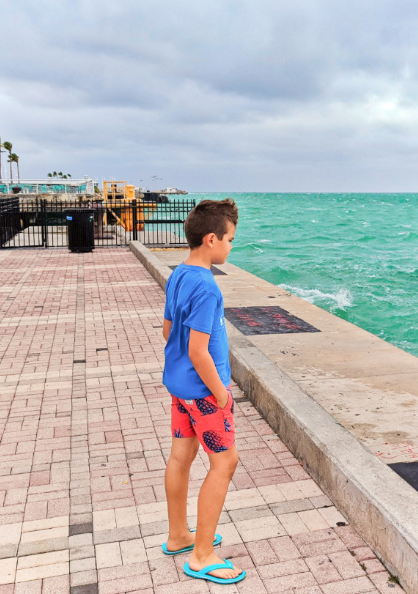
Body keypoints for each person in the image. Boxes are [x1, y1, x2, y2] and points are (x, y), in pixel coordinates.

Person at [160, 198, 245, 586]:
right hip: (205, 393)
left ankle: (179, 535)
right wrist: (221, 394)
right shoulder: (208, 288)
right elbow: (199, 350)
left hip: (180, 389)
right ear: (211, 239)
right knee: (224, 463)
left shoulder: (179, 274)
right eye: (229, 239)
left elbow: (167, 332)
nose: (231, 246)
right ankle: (202, 555)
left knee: (181, 457)